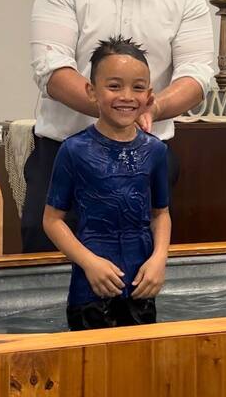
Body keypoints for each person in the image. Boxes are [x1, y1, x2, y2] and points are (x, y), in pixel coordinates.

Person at [22, 0, 213, 251]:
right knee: (47, 263)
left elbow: (197, 74)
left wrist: (153, 107)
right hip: (64, 154)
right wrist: (115, 109)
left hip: (147, 156)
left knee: (140, 261)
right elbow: (50, 69)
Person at [43, 36, 171, 330]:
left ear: (149, 95)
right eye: (114, 86)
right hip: (91, 288)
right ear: (92, 91)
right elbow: (52, 220)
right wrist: (90, 263)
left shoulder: (155, 151)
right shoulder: (74, 150)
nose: (126, 96)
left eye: (137, 87)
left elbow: (160, 214)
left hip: (141, 285)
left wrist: (159, 260)